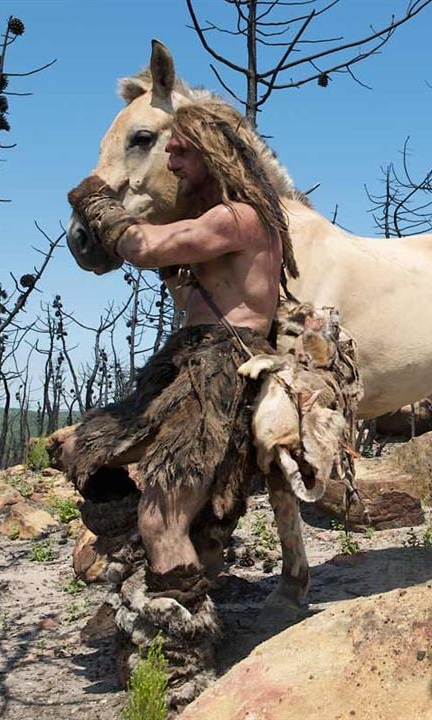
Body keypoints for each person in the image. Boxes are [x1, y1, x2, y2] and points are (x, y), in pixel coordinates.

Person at [55, 101, 298, 606]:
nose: (173, 163)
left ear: (212, 155)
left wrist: (95, 202)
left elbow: (141, 247)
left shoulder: (242, 218)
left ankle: (180, 652)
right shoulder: (221, 220)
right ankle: (146, 556)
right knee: (78, 447)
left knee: (160, 515)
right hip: (185, 361)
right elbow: (195, 297)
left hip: (220, 374)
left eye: (183, 153)